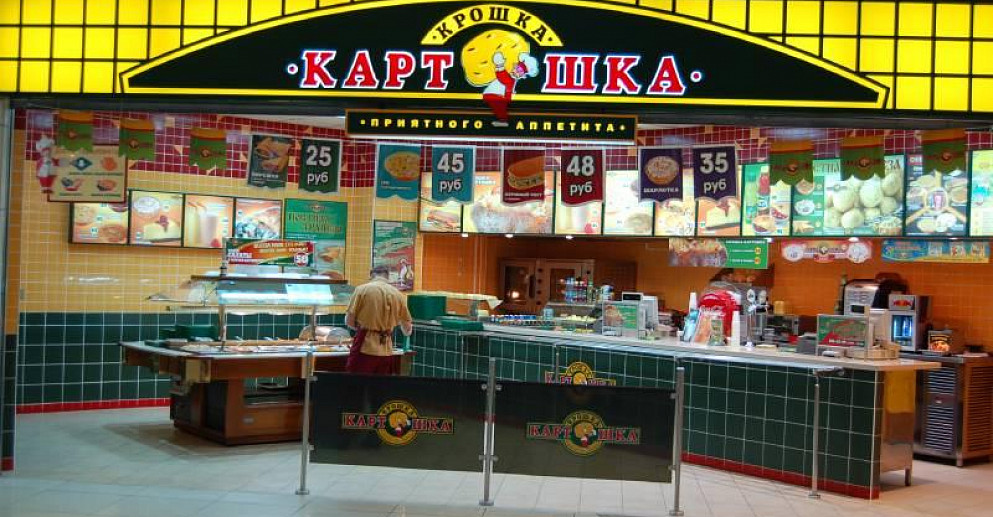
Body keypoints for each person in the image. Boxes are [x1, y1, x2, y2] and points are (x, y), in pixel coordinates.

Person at [345, 266, 413, 374]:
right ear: (387, 277)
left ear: (371, 276)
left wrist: (362, 327)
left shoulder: (362, 290)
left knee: (358, 382)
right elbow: (407, 328)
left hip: (365, 346)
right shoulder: (398, 294)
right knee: (381, 383)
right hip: (387, 349)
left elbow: (349, 321)